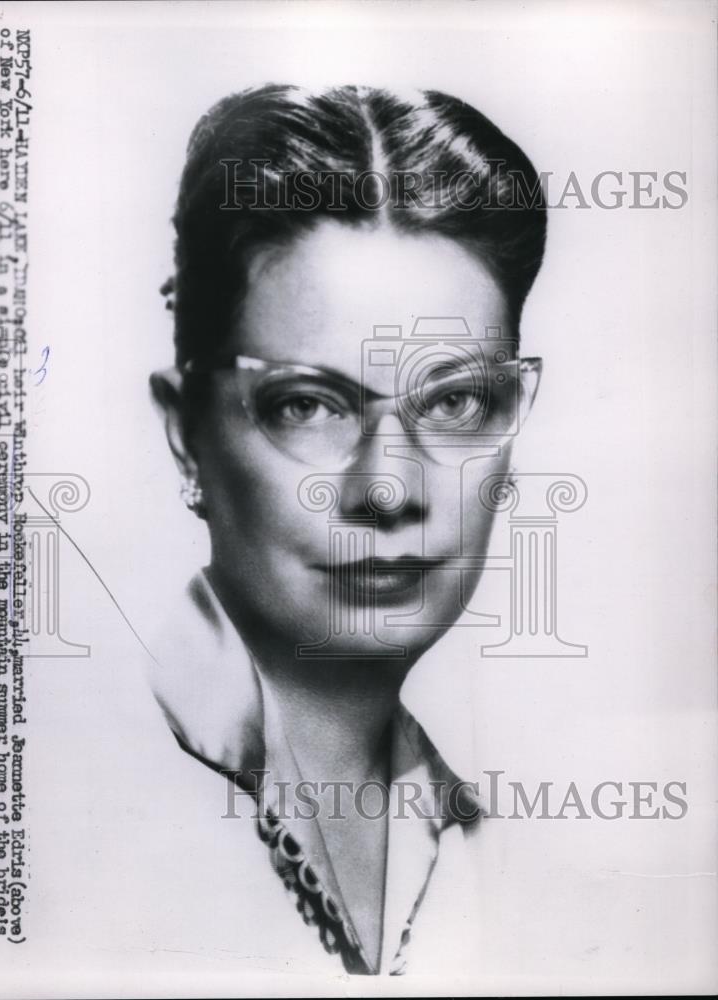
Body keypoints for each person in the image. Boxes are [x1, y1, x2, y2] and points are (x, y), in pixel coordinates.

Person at [149, 83, 546, 976]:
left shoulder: (487, 844)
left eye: (455, 400)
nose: (390, 488)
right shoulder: (89, 794)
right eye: (307, 405)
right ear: (187, 439)